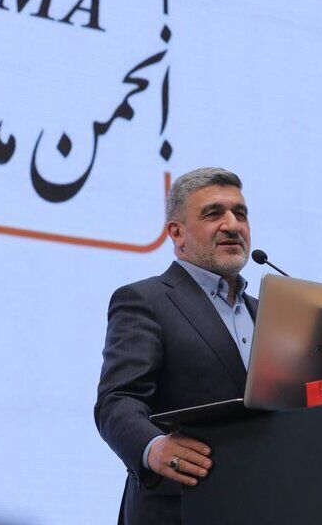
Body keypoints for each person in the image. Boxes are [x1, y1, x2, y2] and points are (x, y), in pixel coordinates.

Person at [95, 167, 258, 525]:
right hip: (180, 508)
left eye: (240, 213)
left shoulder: (267, 313)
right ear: (177, 233)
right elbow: (117, 401)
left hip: (263, 503)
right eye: (214, 214)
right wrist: (153, 447)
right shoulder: (146, 300)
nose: (232, 225)